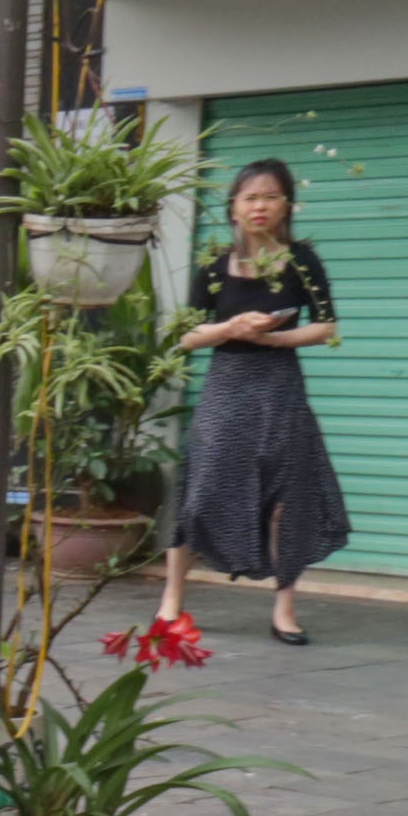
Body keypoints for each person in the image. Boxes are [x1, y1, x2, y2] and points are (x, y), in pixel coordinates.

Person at [152, 156, 349, 648]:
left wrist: (278, 340)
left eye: (270, 196)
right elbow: (186, 336)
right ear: (233, 209)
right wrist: (231, 329)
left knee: (287, 499)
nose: (260, 205)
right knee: (200, 493)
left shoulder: (303, 260)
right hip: (227, 384)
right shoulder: (215, 266)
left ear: (286, 205)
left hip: (280, 385)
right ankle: (171, 601)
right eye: (250, 197)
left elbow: (327, 326)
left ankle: (284, 608)